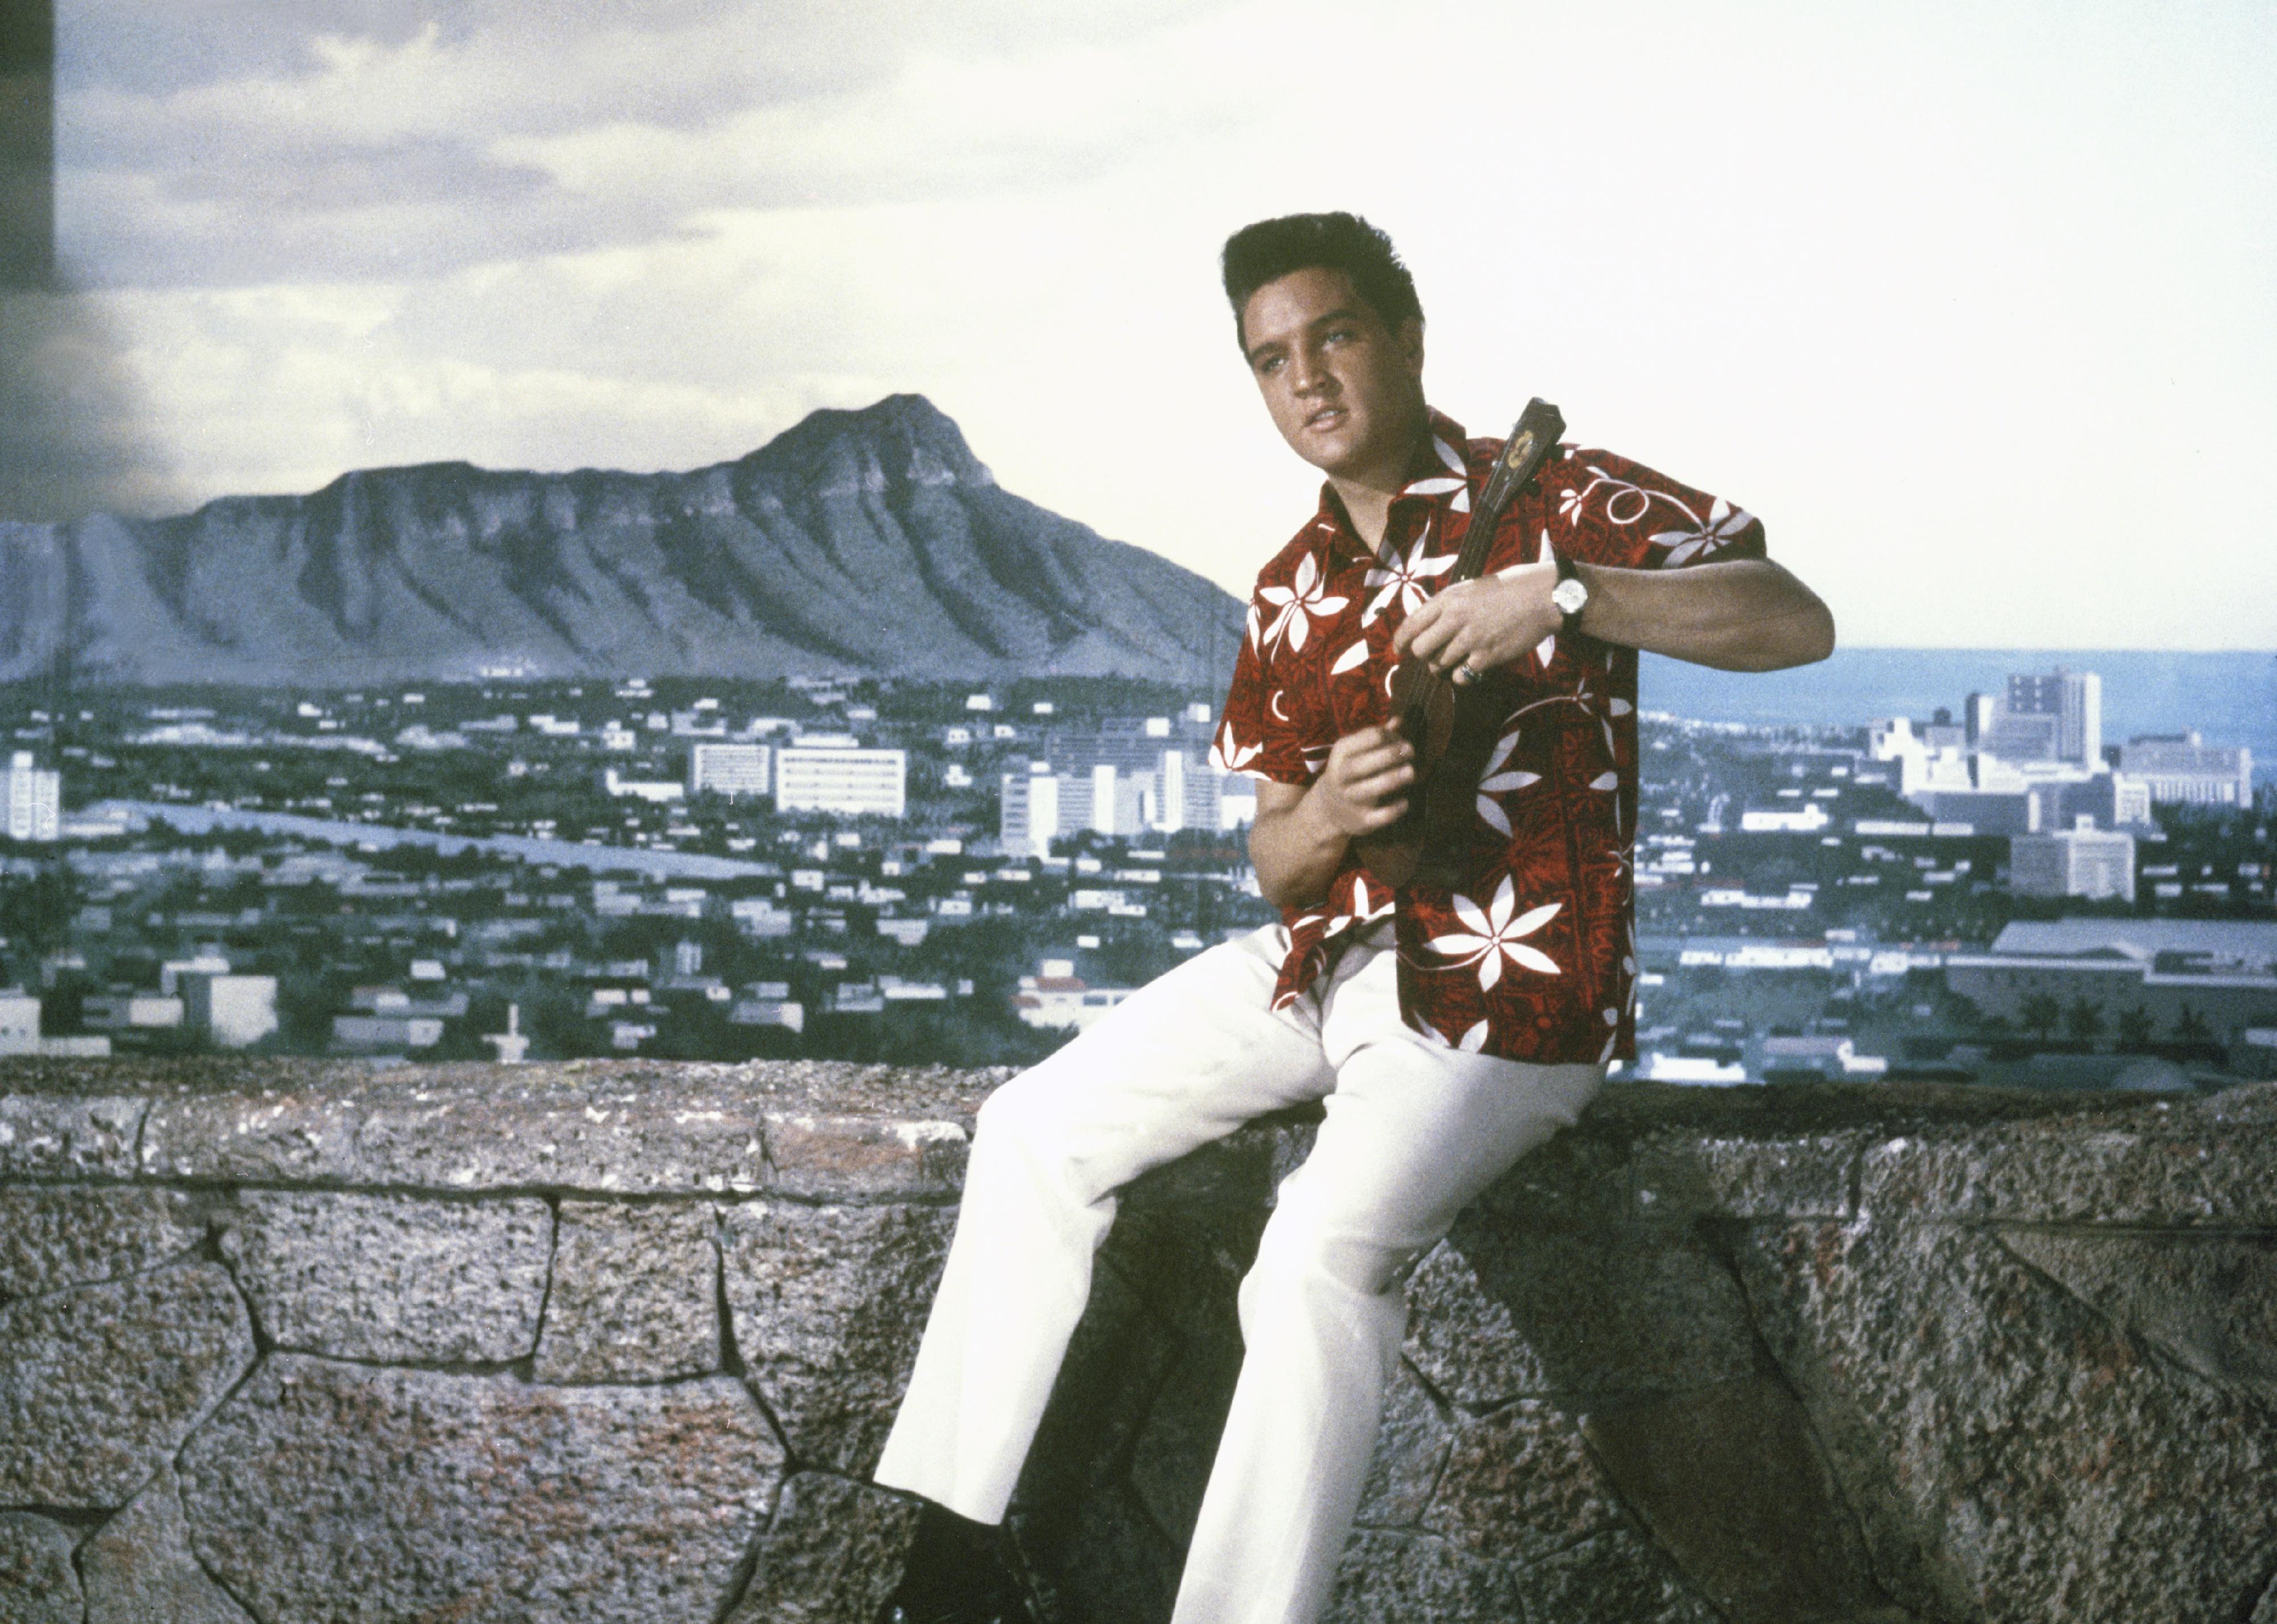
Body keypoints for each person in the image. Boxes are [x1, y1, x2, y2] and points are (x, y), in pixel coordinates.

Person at [869, 211, 1835, 1624]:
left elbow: (1790, 616)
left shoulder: (1553, 495)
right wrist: (1322, 811)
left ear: (1406, 336)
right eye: (1270, 359)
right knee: (1030, 1127)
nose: (1305, 378)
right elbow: (1276, 860)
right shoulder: (1289, 586)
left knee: (1317, 1255)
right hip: (1323, 959)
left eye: (1331, 336)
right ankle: (949, 1570)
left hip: (1515, 984)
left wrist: (1559, 597)